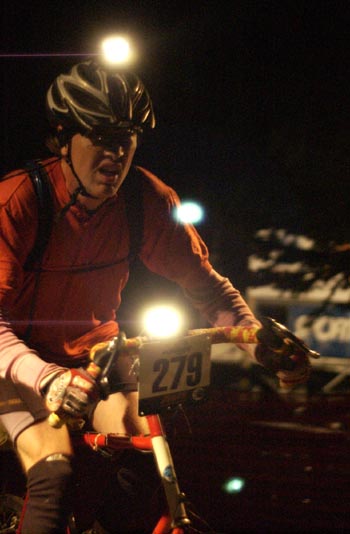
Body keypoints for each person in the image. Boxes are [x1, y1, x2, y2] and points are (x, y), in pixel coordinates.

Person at [0, 59, 311, 533]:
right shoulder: (18, 201)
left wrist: (257, 342)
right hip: (16, 358)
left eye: (126, 139)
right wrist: (46, 379)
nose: (116, 154)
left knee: (145, 468)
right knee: (54, 472)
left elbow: (207, 288)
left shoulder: (145, 200)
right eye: (101, 137)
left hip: (96, 352)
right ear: (62, 139)